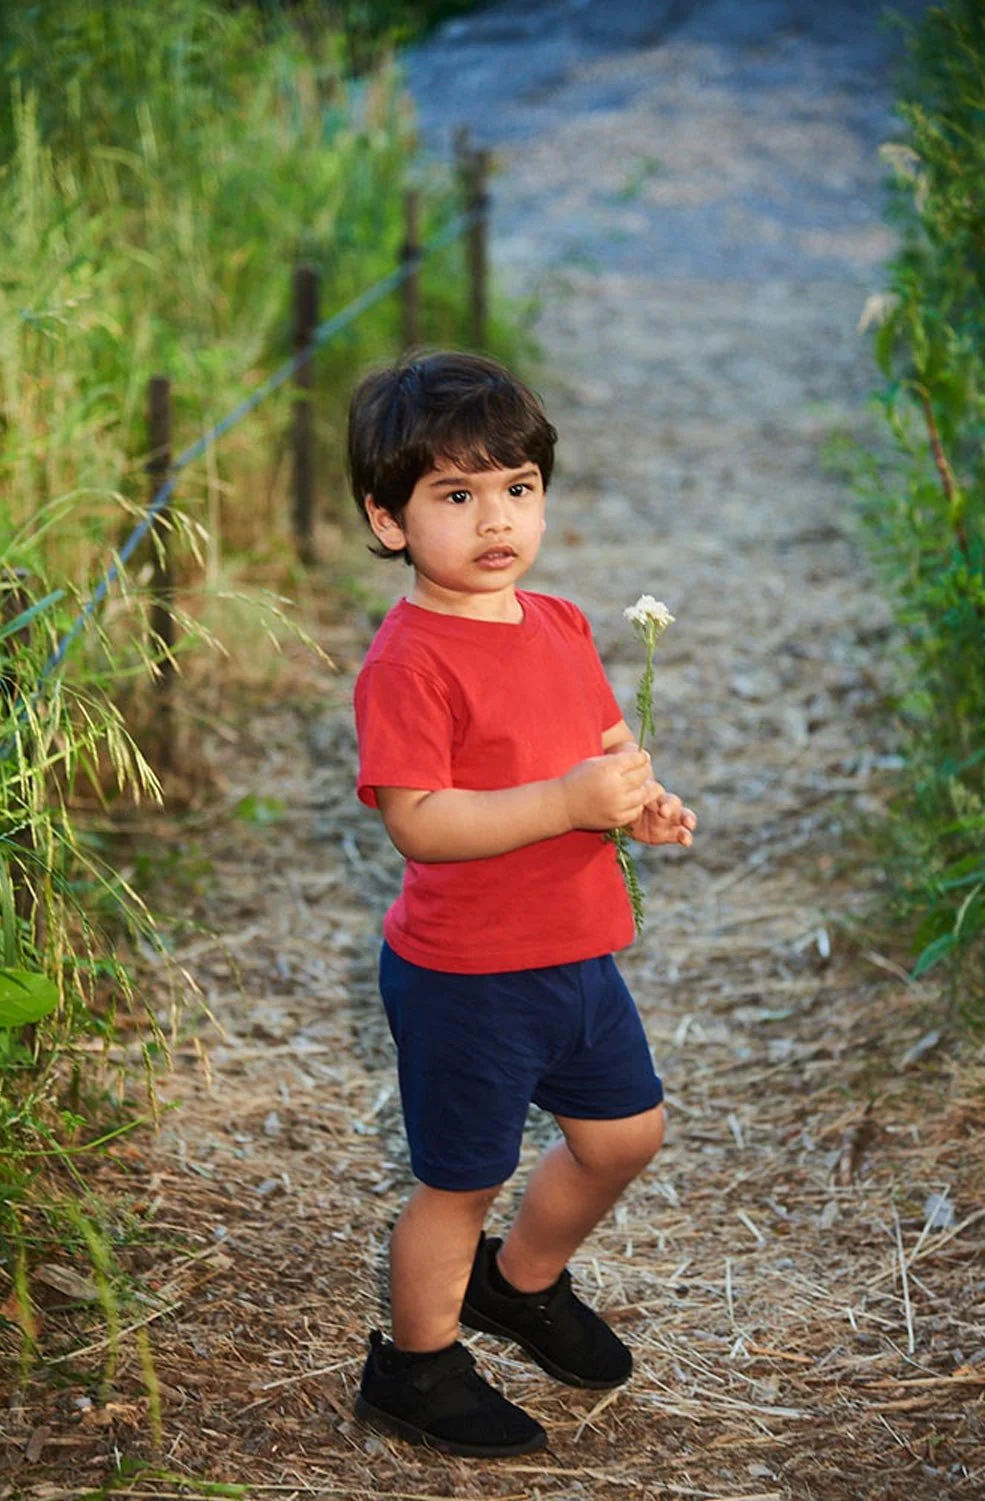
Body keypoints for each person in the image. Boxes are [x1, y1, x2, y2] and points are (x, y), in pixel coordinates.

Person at [349, 351, 696, 1458]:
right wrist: (563, 802)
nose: (495, 518)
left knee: (624, 1134)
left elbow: (600, 741)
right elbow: (418, 820)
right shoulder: (409, 661)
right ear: (389, 520)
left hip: (575, 951)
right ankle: (415, 1366)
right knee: (461, 1180)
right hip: (466, 974)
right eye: (454, 495)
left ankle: (520, 1280)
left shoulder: (556, 622)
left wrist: (635, 801)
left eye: (517, 487)